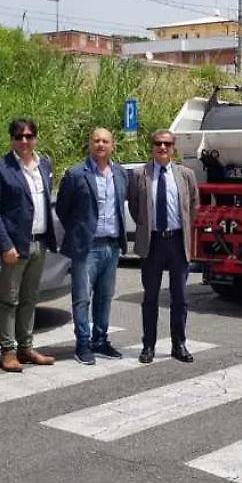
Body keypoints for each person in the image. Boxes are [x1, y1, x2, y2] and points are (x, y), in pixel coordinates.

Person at [0, 118, 58, 372]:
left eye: (28, 136)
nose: (24, 141)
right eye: (18, 136)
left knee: (29, 299)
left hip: (39, 243)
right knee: (8, 301)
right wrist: (4, 245)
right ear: (11, 139)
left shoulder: (44, 164)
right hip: (13, 247)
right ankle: (8, 351)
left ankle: (26, 348)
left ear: (35, 138)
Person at [56, 128, 128, 365]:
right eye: (96, 140)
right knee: (82, 298)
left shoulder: (119, 173)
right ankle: (83, 344)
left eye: (105, 141)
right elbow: (63, 209)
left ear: (112, 145)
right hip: (87, 247)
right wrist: (79, 233)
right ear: (90, 144)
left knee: (105, 297)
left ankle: (101, 340)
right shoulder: (76, 174)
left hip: (111, 245)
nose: (100, 145)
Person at [127, 129, 199, 364]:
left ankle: (179, 344)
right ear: (152, 147)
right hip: (153, 243)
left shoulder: (185, 174)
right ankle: (148, 345)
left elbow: (194, 205)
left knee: (180, 297)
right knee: (150, 297)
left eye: (167, 143)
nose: (163, 147)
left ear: (173, 147)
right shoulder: (140, 174)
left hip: (178, 242)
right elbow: (135, 208)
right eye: (158, 143)